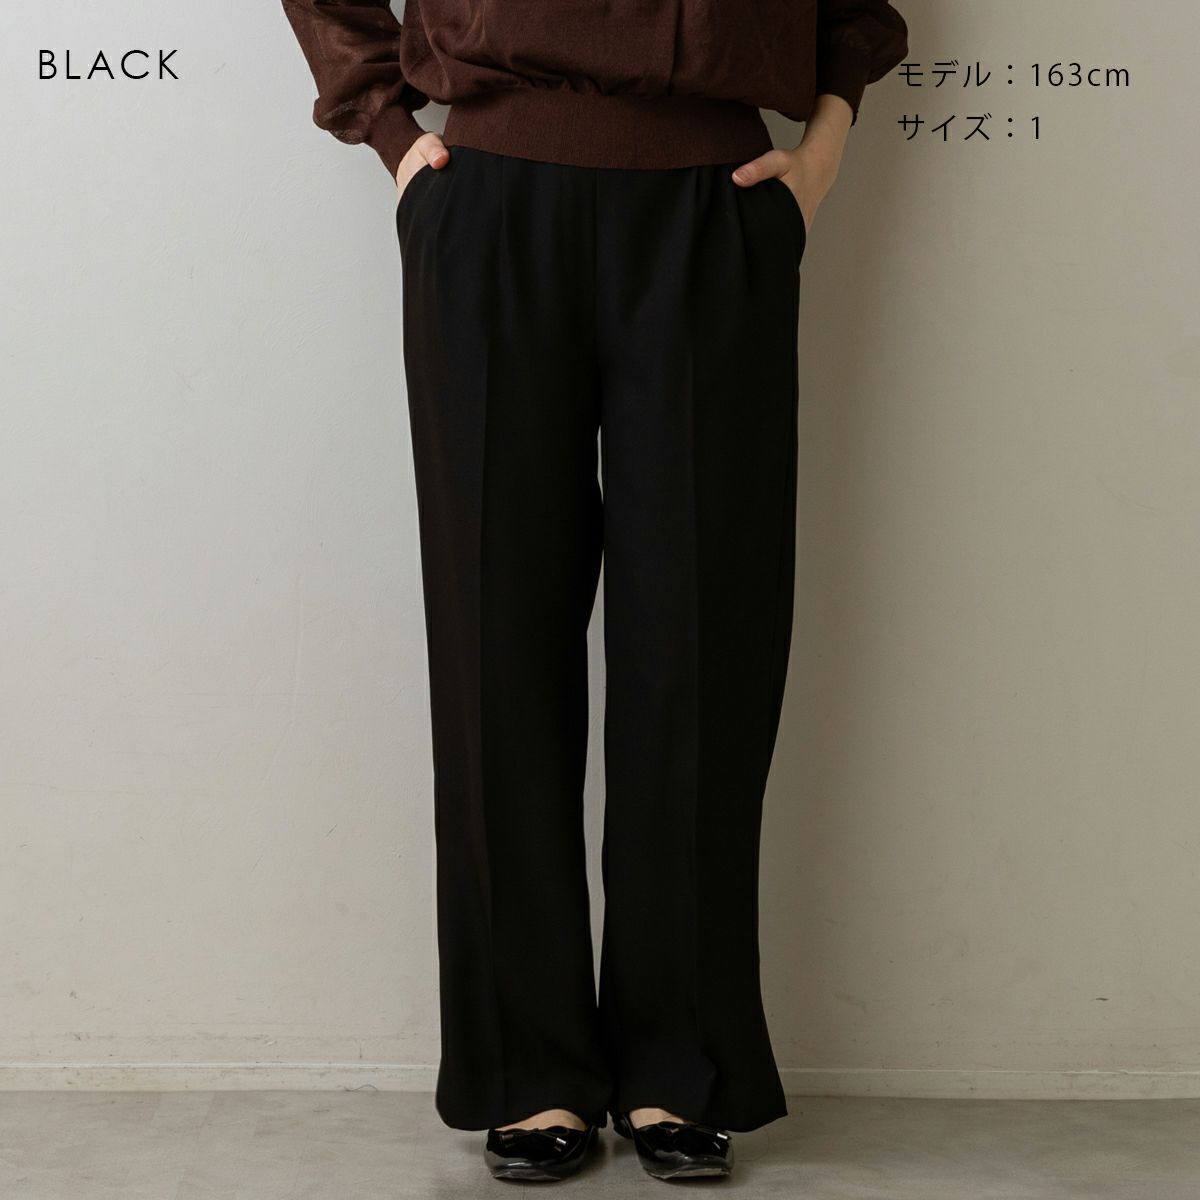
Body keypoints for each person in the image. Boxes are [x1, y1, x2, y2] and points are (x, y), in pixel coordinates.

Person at [281, 0, 908, 1183]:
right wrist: (392, 136)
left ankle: (681, 1061)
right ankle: (530, 1070)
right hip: (488, 194)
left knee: (701, 650)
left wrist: (826, 140)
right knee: (497, 649)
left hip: (714, 199)